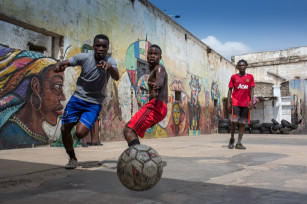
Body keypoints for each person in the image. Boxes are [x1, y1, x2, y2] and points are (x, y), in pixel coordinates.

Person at [54, 34, 119, 169]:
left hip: (94, 103)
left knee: (80, 133)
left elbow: (116, 76)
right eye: (98, 45)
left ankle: (82, 129)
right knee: (65, 129)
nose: (101, 48)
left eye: (104, 46)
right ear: (94, 46)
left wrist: (110, 67)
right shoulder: (85, 57)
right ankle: (72, 158)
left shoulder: (110, 61)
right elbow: (66, 62)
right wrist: (59, 64)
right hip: (77, 98)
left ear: (107, 48)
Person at [0, 46, 65, 149]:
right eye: (57, 86)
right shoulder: (9, 134)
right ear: (36, 86)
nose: (63, 97)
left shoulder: (38, 133)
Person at [123, 44, 168, 147]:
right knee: (131, 130)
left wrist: (157, 84)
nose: (152, 56)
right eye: (150, 53)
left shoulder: (159, 68)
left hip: (157, 106)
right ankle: (138, 153)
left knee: (129, 130)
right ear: (147, 56)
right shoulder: (153, 70)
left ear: (160, 57)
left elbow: (160, 80)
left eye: (156, 54)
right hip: (159, 107)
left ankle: (139, 156)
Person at [227, 59, 254, 149]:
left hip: (246, 103)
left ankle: (239, 143)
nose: (241, 67)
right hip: (235, 102)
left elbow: (252, 90)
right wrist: (228, 101)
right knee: (234, 122)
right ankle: (231, 139)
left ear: (246, 66)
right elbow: (230, 90)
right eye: (240, 65)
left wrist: (251, 101)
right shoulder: (233, 77)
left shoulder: (250, 77)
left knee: (242, 123)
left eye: (243, 65)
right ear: (238, 67)